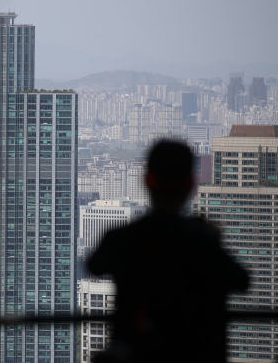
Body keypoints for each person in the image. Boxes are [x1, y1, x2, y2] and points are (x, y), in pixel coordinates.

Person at [88, 141, 248, 363]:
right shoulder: (201, 241)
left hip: (136, 353)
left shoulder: (123, 238)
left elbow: (94, 266)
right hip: (191, 354)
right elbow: (241, 281)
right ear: (191, 184)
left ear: (147, 181)